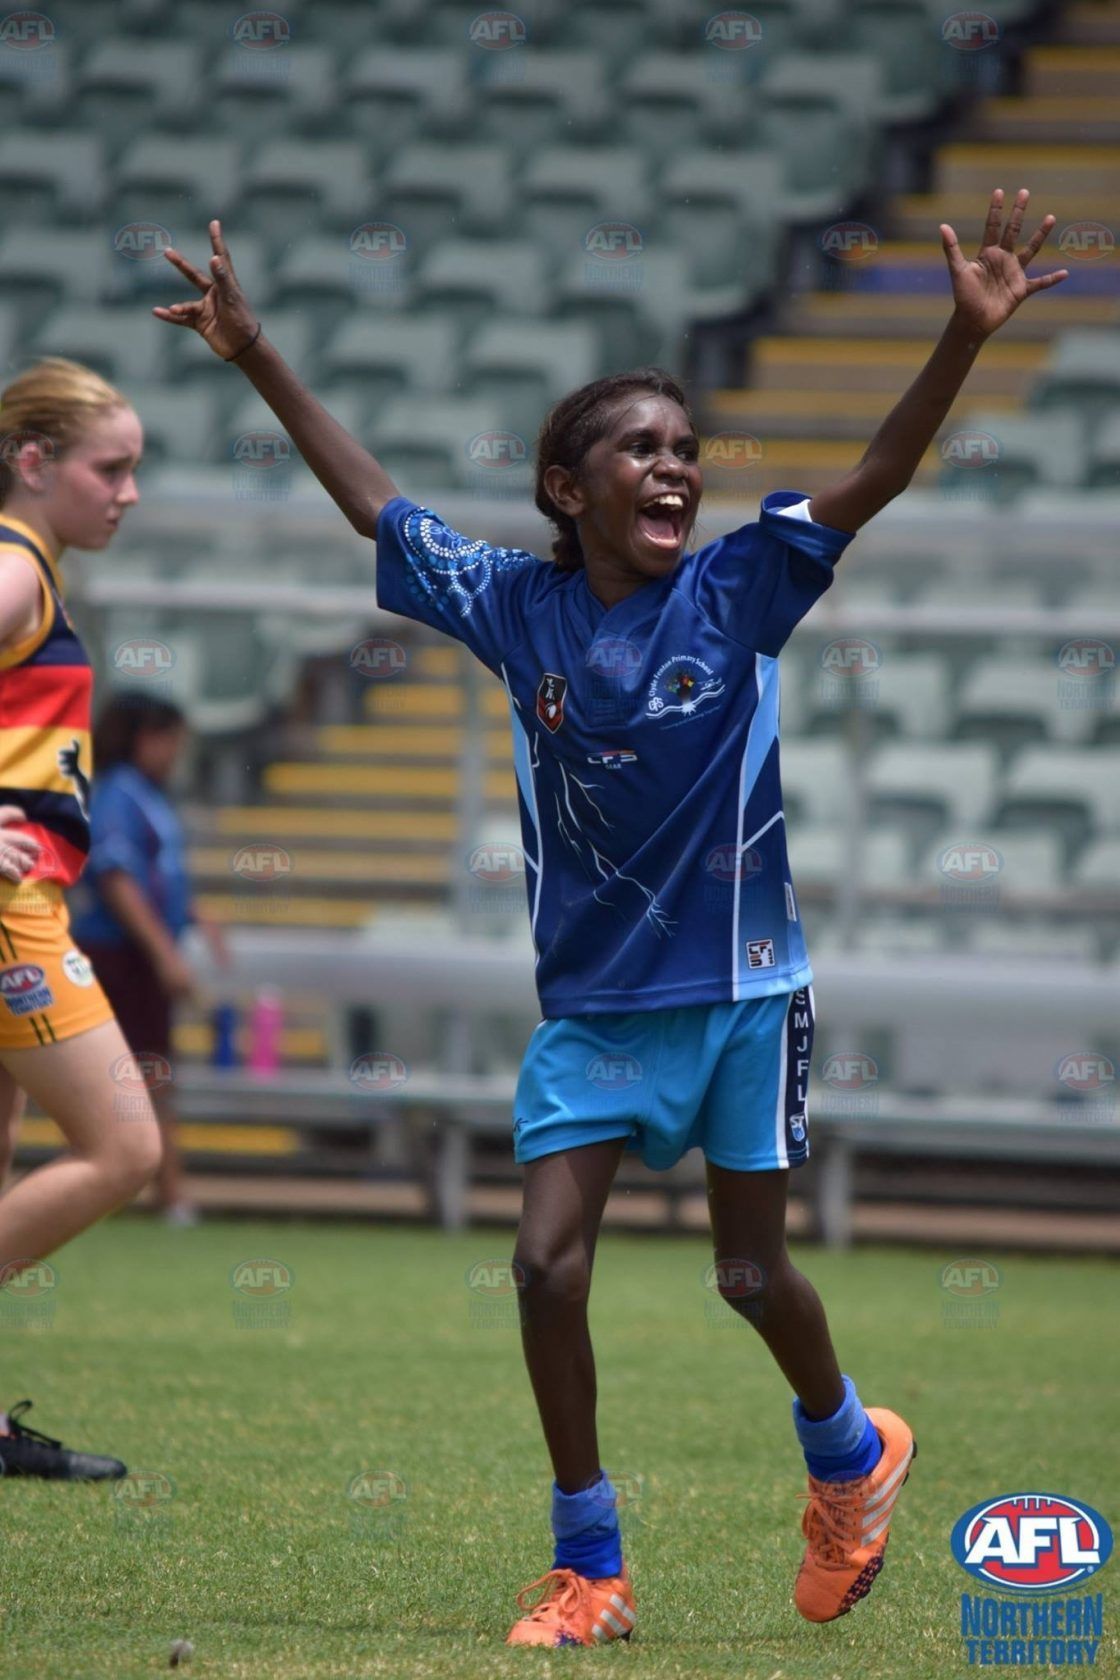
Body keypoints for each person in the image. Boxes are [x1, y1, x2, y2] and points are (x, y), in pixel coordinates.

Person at [153, 194, 1066, 1643]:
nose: (675, 466)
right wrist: (258, 356)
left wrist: (962, 335)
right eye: (640, 446)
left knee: (749, 1275)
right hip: (592, 1008)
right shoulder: (519, 611)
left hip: (745, 990)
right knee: (542, 1264)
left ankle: (849, 1454)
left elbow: (879, 474)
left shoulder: (741, 587)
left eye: (686, 448)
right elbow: (374, 504)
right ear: (566, 488)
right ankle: (593, 1567)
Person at [0, 356, 162, 1479]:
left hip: (27, 901)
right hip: (13, 915)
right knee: (123, 1147)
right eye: (111, 468)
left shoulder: (31, 573)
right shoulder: (13, 576)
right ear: (33, 461)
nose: (129, 491)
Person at [68, 691, 230, 1226]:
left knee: (150, 1071)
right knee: (143, 1073)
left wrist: (195, 916)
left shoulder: (146, 795)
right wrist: (164, 953)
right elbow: (117, 880)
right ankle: (162, 1190)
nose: (176, 754)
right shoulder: (118, 794)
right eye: (171, 742)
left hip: (134, 951)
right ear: (145, 738)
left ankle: (159, 1187)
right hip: (119, 954)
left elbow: (157, 876)